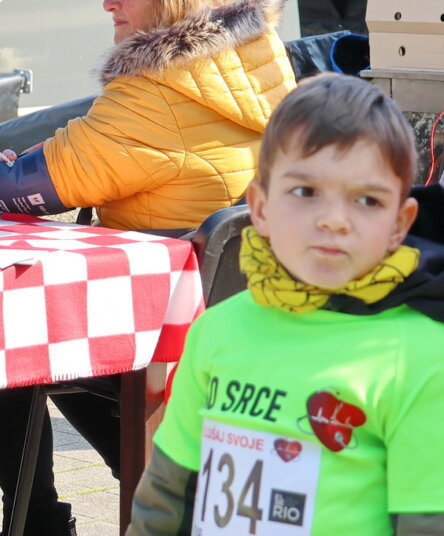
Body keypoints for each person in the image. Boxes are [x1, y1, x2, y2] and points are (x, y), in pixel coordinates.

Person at [0, 0, 297, 534]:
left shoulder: (157, 90)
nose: (108, 1)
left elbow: (55, 176)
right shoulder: (259, 65)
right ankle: (155, 491)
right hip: (244, 326)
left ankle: (38, 522)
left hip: (161, 339)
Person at [129, 74, 444, 536]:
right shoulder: (215, 329)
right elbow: (165, 492)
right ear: (259, 207)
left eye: (367, 200)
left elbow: (427, 521)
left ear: (400, 224)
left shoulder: (422, 356)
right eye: (305, 191)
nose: (335, 220)